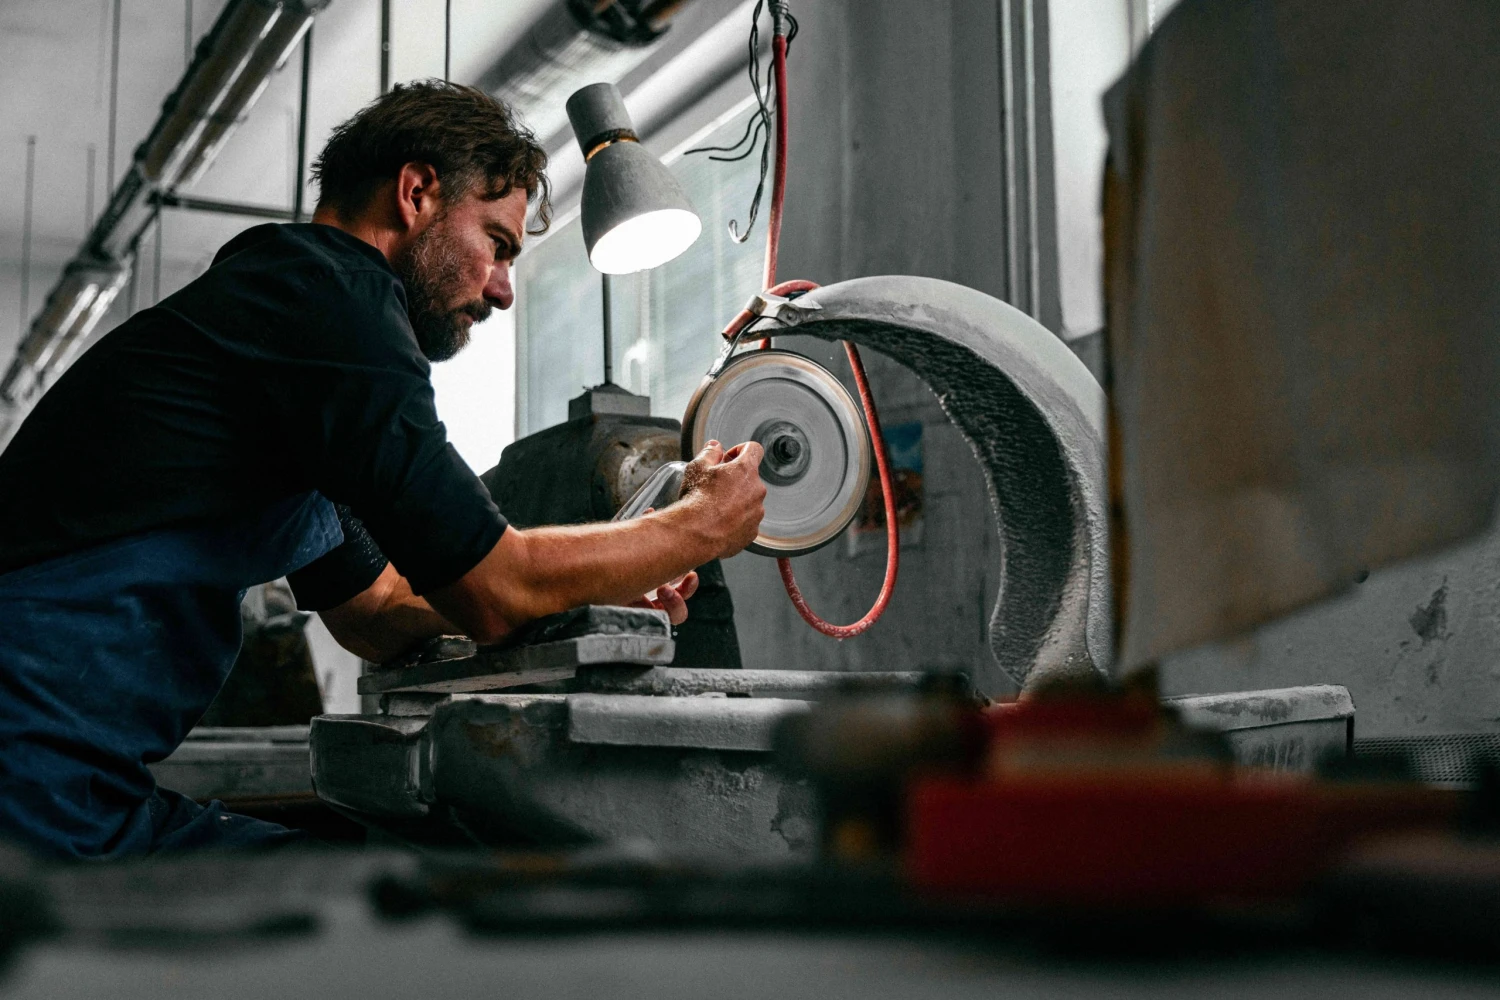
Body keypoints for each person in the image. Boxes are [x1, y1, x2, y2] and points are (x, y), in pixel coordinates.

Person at [0, 81, 766, 860]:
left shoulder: (290, 317)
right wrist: (701, 524)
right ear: (417, 193)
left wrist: (587, 590)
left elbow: (376, 609)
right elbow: (494, 592)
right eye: (497, 244)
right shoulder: (334, 298)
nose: (503, 288)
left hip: (67, 778)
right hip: (30, 776)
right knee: (377, 919)